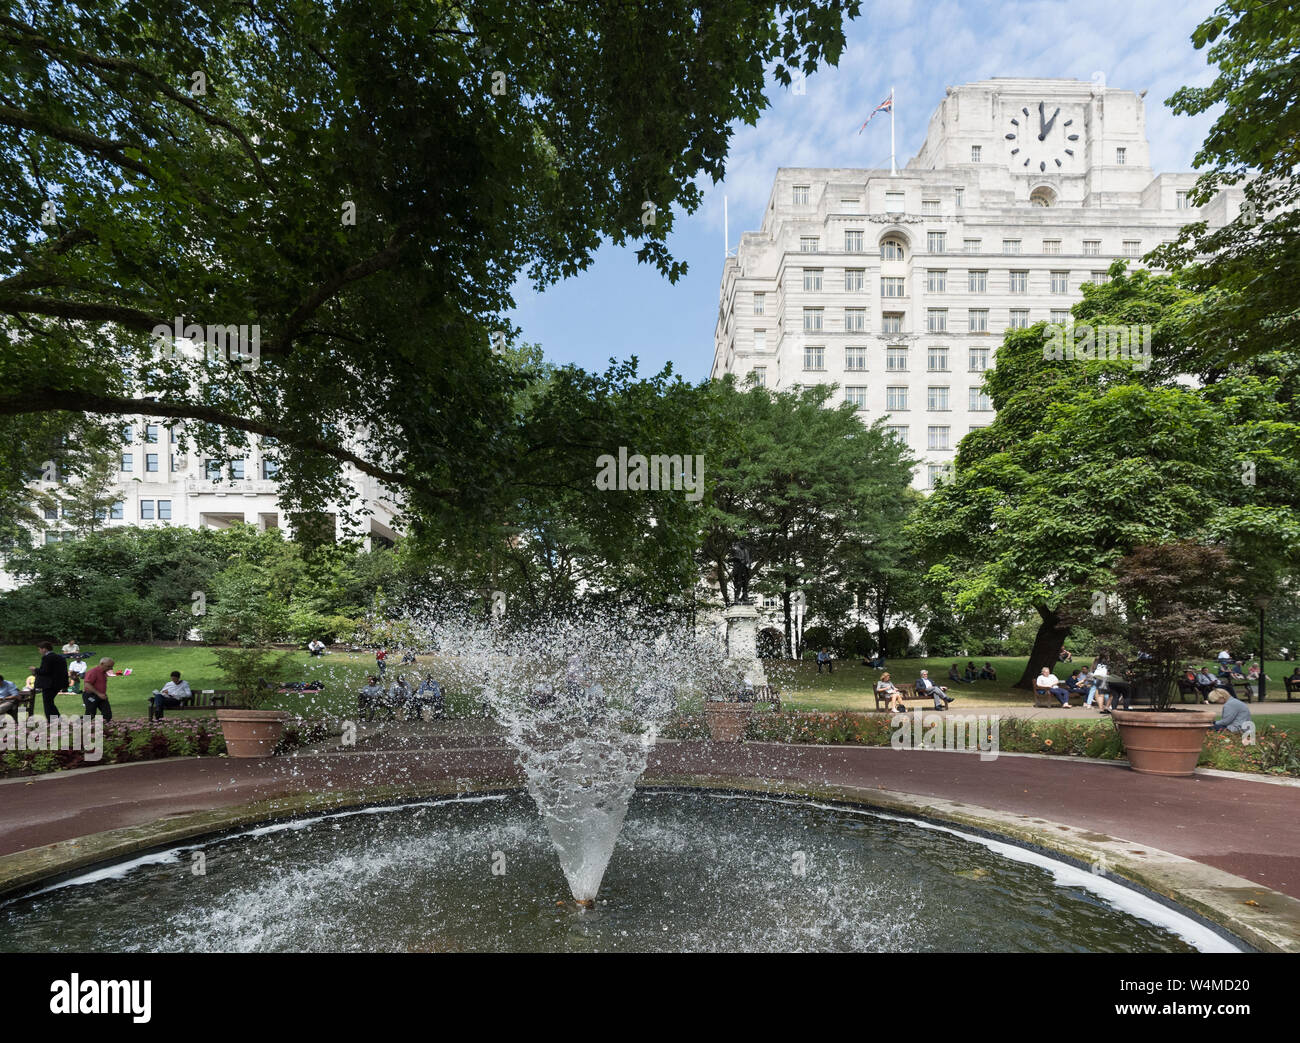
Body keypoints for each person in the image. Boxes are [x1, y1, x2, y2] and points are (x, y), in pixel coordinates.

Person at [32, 641, 69, 719]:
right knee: (50, 702)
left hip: (49, 684)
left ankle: (51, 719)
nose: (39, 651)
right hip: (58, 684)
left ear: (44, 649)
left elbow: (45, 671)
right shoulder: (60, 657)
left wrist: (35, 669)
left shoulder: (47, 658)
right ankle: (57, 718)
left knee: (47, 703)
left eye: (40, 649)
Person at [81, 657, 114, 721]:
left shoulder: (103, 672)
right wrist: (99, 694)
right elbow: (87, 684)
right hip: (90, 696)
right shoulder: (93, 672)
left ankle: (104, 729)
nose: (110, 668)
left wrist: (102, 694)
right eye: (109, 666)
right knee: (90, 714)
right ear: (102, 664)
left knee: (107, 714)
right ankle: (78, 725)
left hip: (101, 696)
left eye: (111, 667)